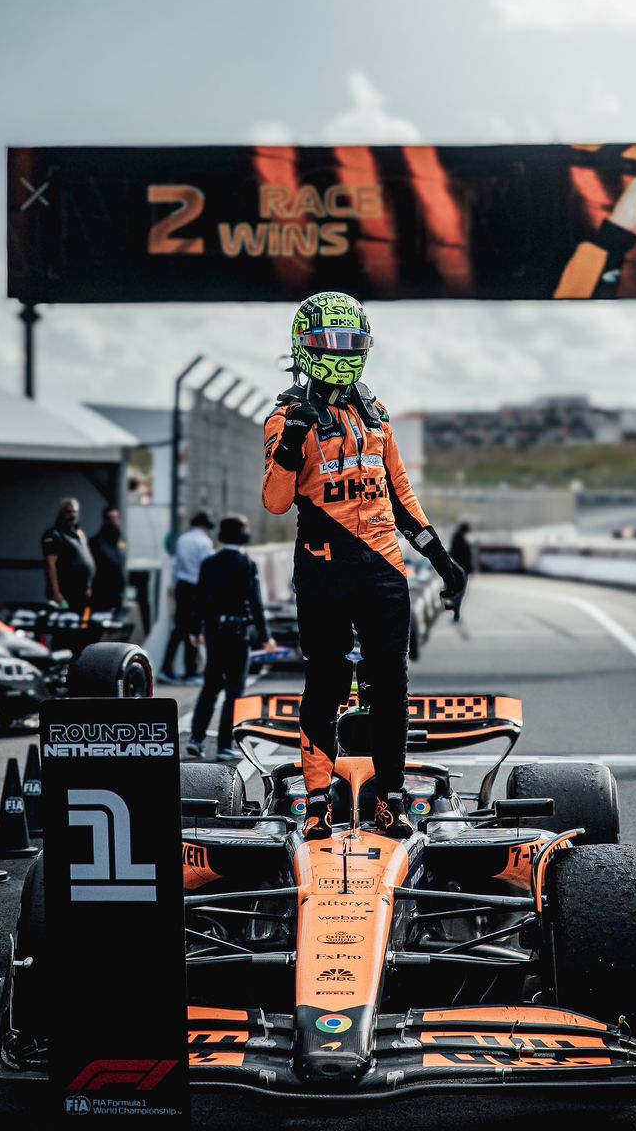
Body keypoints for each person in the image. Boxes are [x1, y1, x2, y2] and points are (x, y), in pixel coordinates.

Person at [262, 290, 465, 841]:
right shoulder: (284, 417)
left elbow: (399, 493)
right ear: (305, 345)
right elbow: (276, 502)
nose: (342, 351)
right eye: (331, 342)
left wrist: (440, 557)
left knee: (390, 684)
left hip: (384, 569)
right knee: (325, 682)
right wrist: (290, 446)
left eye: (352, 342)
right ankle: (316, 801)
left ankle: (389, 799)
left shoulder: (376, 412)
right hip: (323, 568)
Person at [187, 515, 277, 760]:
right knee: (234, 690)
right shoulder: (246, 564)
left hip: (214, 631)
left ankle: (196, 738)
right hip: (238, 633)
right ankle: (225, 744)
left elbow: (199, 601)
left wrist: (195, 630)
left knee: (210, 686)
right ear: (242, 535)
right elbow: (256, 604)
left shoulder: (209, 563)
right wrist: (266, 637)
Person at [158, 510, 214, 684]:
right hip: (197, 587)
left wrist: (175, 587)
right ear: (205, 525)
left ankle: (167, 668)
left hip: (182, 586)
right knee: (194, 630)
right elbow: (207, 569)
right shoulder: (205, 542)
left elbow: (176, 565)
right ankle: (191, 672)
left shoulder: (183, 539)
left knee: (179, 630)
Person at [42, 498, 95, 614]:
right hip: (66, 592)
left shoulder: (79, 533)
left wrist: (89, 586)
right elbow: (51, 565)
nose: (72, 515)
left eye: (75, 512)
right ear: (61, 513)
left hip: (82, 592)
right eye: (68, 512)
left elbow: (87, 560)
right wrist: (56, 592)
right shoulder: (54, 534)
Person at [89, 506, 128, 613]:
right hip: (101, 595)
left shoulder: (121, 541)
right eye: (110, 518)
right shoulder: (95, 543)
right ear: (105, 520)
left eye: (116, 518)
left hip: (117, 596)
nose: (114, 521)